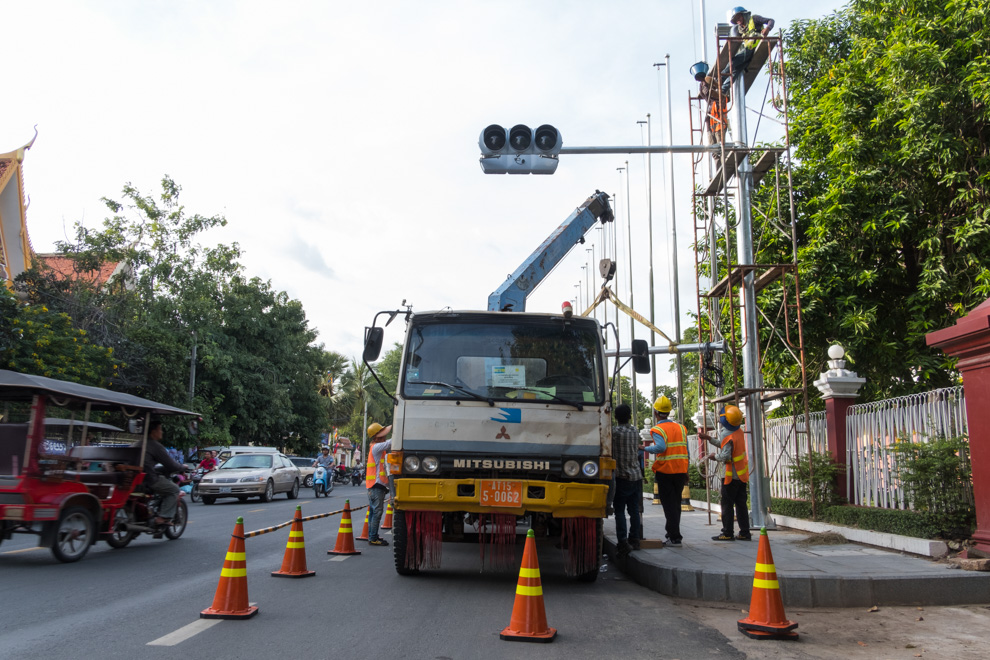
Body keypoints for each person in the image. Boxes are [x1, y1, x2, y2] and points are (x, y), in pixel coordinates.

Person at [700, 405, 751, 541]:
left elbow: (726, 456)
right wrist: (709, 439)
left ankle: (727, 533)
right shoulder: (738, 431)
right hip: (741, 474)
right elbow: (726, 444)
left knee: (727, 504)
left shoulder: (726, 433)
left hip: (730, 475)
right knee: (741, 504)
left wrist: (713, 457)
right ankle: (745, 532)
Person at [643, 396, 689, 547]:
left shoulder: (657, 429)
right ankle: (672, 534)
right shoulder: (681, 428)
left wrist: (644, 448)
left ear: (656, 413)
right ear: (668, 412)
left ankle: (675, 537)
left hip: (666, 471)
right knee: (676, 504)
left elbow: (661, 448)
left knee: (669, 505)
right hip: (681, 470)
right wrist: (686, 470)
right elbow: (686, 450)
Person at [717, 7, 775, 98]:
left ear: (744, 15)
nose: (738, 21)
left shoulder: (754, 19)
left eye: (739, 17)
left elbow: (771, 20)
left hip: (754, 48)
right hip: (748, 52)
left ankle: (719, 80)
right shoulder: (740, 29)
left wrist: (767, 29)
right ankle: (723, 90)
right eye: (736, 20)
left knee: (733, 62)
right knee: (736, 71)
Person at [137, 420, 185, 528]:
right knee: (174, 490)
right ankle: (162, 517)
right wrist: (182, 467)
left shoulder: (137, 443)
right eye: (160, 429)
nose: (162, 432)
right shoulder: (155, 445)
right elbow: (171, 465)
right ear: (154, 431)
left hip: (135, 479)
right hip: (148, 480)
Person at [611, 404, 643, 555]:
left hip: (621, 476)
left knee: (619, 511)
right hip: (636, 475)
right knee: (634, 510)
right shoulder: (635, 431)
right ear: (629, 416)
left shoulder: (614, 432)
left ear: (615, 417)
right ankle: (635, 539)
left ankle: (623, 541)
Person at [365, 422, 392, 546]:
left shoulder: (376, 447)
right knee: (377, 512)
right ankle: (373, 538)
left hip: (374, 486)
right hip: (376, 486)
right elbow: (390, 443)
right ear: (377, 436)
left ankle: (373, 536)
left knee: (373, 513)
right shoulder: (376, 447)